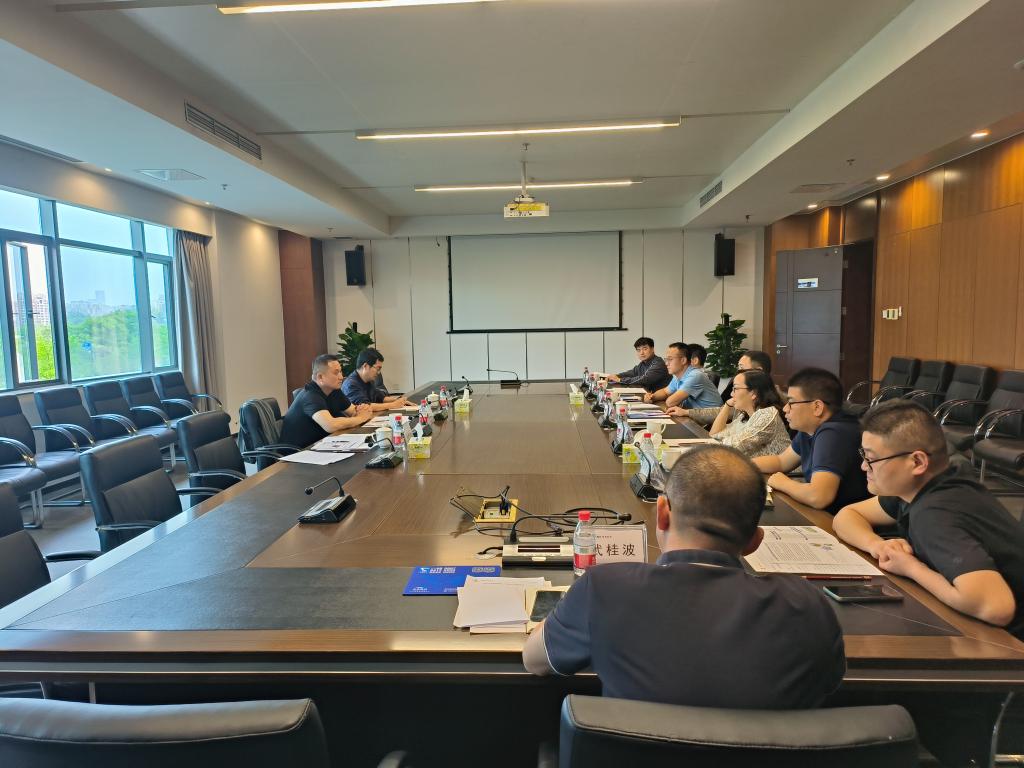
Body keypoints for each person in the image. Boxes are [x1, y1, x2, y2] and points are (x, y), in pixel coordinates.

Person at [522, 444, 845, 708]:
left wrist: (565, 615)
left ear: (662, 513)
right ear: (755, 541)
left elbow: (534, 660)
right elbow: (829, 685)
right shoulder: (807, 606)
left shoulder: (604, 588)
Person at [833, 400, 1024, 637]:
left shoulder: (934, 514)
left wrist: (911, 567)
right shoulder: (927, 485)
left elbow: (995, 607)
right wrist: (878, 545)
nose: (863, 466)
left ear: (917, 462)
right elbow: (847, 516)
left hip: (1008, 644)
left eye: (871, 458)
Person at [752, 367, 868, 513]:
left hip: (837, 520)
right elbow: (781, 462)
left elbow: (818, 497)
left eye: (791, 402)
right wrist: (743, 464)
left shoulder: (833, 433)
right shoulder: (811, 429)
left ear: (817, 407)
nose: (785, 409)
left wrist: (783, 482)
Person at [280, 354, 373, 447]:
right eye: (336, 373)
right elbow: (330, 425)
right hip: (297, 451)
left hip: (322, 444)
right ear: (320, 377)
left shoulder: (334, 390)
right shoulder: (310, 396)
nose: (341, 377)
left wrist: (363, 410)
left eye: (340, 371)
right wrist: (360, 418)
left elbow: (353, 411)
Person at [672, 348, 772, 423]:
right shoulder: (739, 383)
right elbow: (723, 409)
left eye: (741, 368)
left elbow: (727, 412)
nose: (738, 371)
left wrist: (687, 412)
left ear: (758, 371)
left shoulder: (766, 404)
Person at [707, 369, 790, 459]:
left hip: (774, 469)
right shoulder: (745, 415)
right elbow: (715, 435)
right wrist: (727, 406)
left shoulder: (767, 414)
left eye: (735, 389)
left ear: (753, 393)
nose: (731, 394)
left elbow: (734, 445)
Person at [647, 343, 722, 409]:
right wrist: (651, 397)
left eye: (670, 359)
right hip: (691, 416)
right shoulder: (678, 375)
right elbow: (665, 392)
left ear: (683, 360)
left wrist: (673, 398)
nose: (666, 363)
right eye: (666, 359)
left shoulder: (695, 375)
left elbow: (670, 402)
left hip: (710, 419)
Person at [341, 348, 416, 411]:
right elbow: (366, 406)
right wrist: (393, 405)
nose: (379, 372)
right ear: (365, 366)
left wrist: (400, 400)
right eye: (377, 368)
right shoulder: (351, 384)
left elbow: (380, 398)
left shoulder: (368, 381)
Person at [605, 337, 670, 392]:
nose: (641, 353)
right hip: (649, 395)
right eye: (638, 350)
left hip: (661, 398)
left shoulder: (658, 363)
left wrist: (620, 380)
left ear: (652, 349)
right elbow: (632, 372)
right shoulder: (643, 363)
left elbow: (644, 379)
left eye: (645, 349)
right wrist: (616, 376)